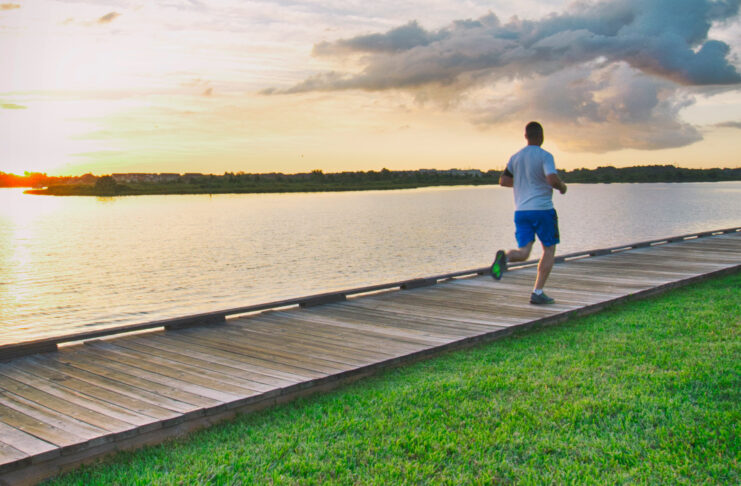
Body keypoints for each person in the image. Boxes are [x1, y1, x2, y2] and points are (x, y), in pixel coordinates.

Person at [490, 121, 567, 305]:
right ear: (541, 136)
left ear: (526, 136)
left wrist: (524, 184)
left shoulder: (515, 157)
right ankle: (538, 292)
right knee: (549, 249)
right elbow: (552, 179)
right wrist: (562, 187)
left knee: (524, 252)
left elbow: (503, 181)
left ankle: (505, 257)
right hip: (542, 210)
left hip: (521, 211)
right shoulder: (545, 156)